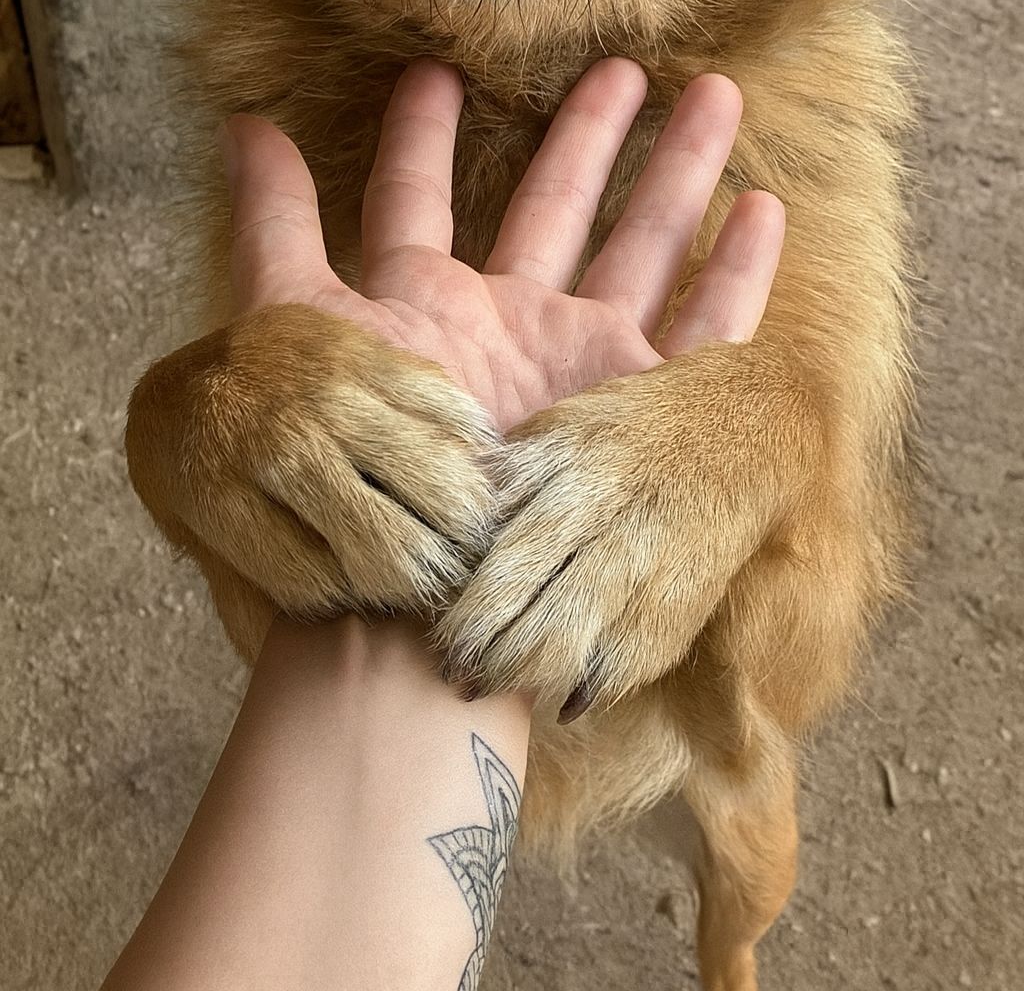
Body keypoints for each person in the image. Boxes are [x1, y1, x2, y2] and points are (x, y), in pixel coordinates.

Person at [101, 58, 785, 991]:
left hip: (664, 738)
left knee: (747, 867)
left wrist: (760, 442)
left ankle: (731, 962)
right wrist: (198, 417)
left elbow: (803, 641)